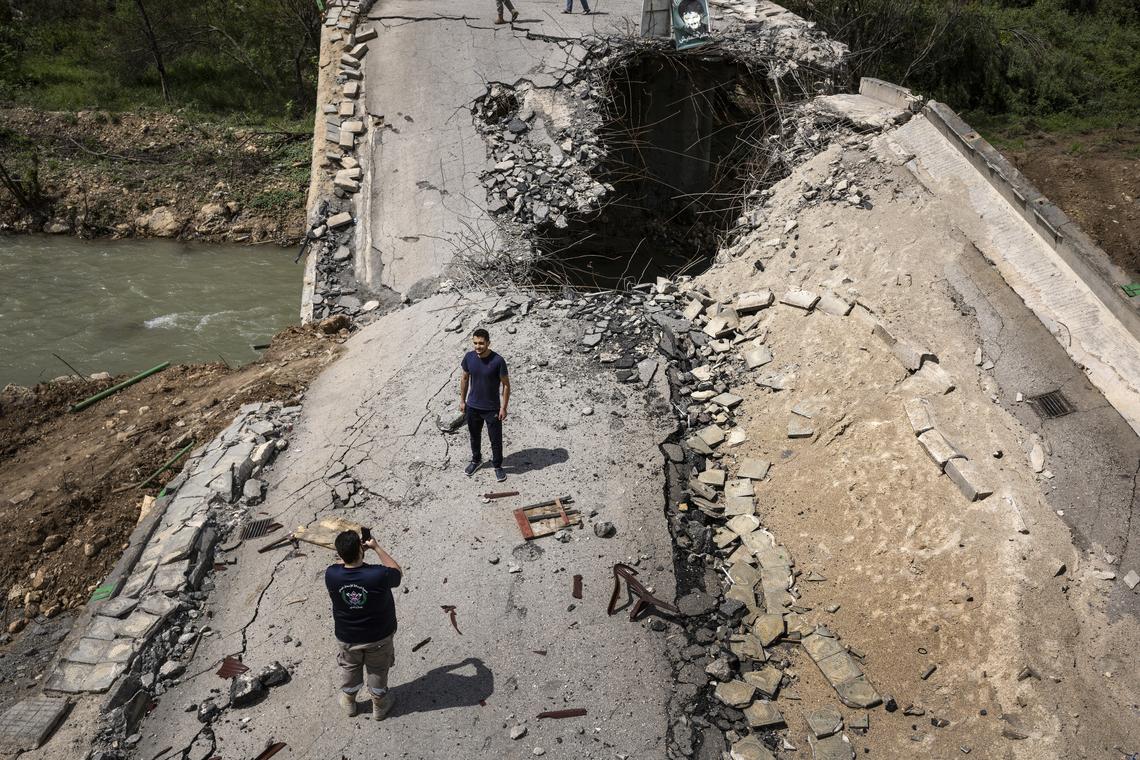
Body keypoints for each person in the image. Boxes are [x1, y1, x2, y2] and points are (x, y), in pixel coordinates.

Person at [325, 530, 403, 720]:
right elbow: (398, 573)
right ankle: (379, 705)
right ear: (361, 550)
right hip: (378, 636)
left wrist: (353, 553)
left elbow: (342, 564)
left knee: (350, 669)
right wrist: (375, 547)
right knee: (377, 670)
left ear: (340, 555)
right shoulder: (378, 574)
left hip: (347, 637)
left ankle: (349, 702)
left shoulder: (331, 574)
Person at [459, 328, 511, 482]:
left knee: (495, 439)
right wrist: (462, 400)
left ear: (488, 343)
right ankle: (476, 460)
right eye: (475, 343)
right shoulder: (469, 357)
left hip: (492, 408)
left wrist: (503, 407)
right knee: (474, 436)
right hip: (473, 406)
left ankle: (497, 465)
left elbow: (506, 385)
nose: (478, 346)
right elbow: (464, 378)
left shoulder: (498, 361)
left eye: (481, 343)